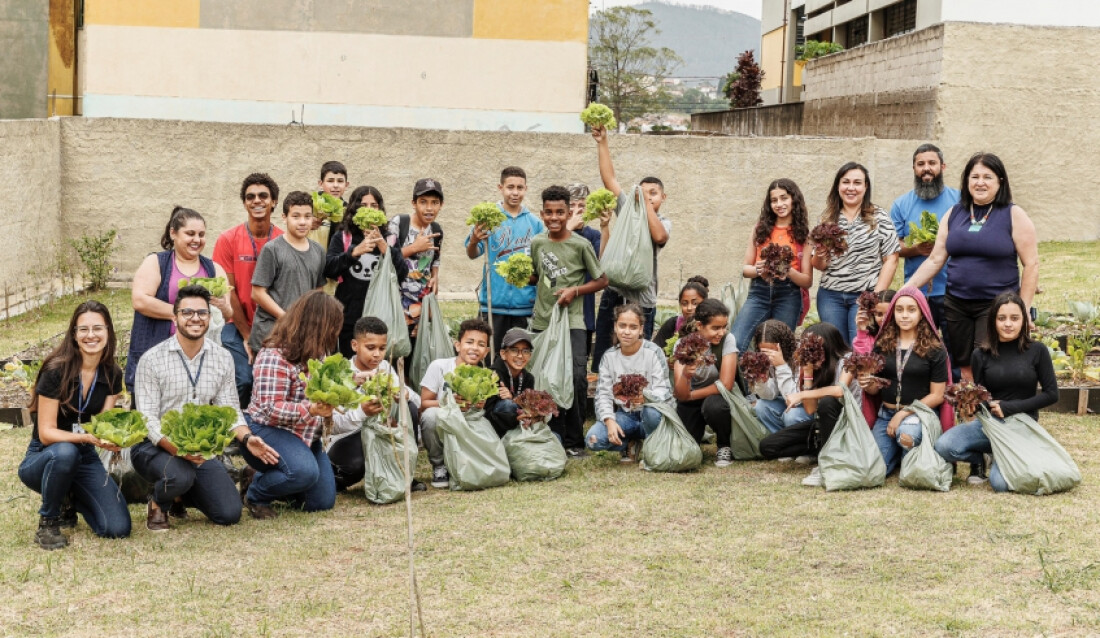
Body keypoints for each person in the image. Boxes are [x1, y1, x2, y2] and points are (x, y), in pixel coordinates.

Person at [132, 285, 278, 530]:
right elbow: (147, 419)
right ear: (174, 317)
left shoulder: (222, 357)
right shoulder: (152, 359)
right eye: (187, 312)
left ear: (210, 317)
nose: (195, 318)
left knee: (229, 513)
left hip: (197, 448)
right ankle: (159, 501)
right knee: (179, 475)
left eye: (202, 312)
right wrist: (178, 450)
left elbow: (230, 410)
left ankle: (180, 495)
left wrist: (247, 438)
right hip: (154, 446)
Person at [905, 152, 1040, 380]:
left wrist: (1024, 309)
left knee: (985, 362)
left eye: (987, 177)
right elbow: (935, 259)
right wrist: (906, 290)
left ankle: (989, 402)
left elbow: (1031, 264)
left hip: (995, 304)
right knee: (964, 366)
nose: (980, 182)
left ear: (1000, 181)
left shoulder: (1013, 214)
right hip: (956, 304)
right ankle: (968, 402)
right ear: (966, 181)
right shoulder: (954, 213)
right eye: (974, 177)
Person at [18, 301, 130, 549]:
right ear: (74, 334)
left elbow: (103, 424)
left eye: (98, 328)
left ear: (108, 332)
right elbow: (46, 433)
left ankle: (68, 495)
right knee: (65, 453)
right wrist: (87, 438)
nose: (91, 335)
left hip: (85, 457)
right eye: (83, 329)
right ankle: (48, 522)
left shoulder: (112, 373)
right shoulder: (55, 371)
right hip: (45, 456)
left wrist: (115, 440)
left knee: (117, 528)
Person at [935, 292, 1059, 489]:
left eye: (1014, 318)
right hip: (990, 424)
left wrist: (1009, 407)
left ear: (1024, 321)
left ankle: (1006, 454)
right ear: (993, 321)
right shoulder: (980, 354)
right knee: (944, 446)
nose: (1008, 324)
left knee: (999, 484)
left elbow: (1051, 394)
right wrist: (971, 406)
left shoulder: (1037, 351)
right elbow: (983, 395)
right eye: (1002, 318)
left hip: (1021, 425)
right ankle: (982, 457)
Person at [242, 291, 344, 518]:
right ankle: (255, 493)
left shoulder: (320, 354)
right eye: (333, 326)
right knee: (303, 472)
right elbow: (270, 408)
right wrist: (311, 409)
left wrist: (350, 385)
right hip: (267, 428)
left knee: (321, 502)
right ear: (317, 326)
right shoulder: (274, 355)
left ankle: (279, 478)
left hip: (305, 434)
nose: (336, 331)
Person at [529, 185, 610, 457]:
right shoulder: (537, 243)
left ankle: (574, 441)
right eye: (549, 212)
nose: (554, 217)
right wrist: (519, 275)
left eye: (560, 212)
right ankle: (552, 433)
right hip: (543, 320)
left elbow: (602, 280)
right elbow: (536, 275)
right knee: (545, 377)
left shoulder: (580, 244)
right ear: (542, 214)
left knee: (576, 377)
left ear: (568, 213)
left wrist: (575, 291)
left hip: (574, 321)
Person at [126, 207, 233, 396]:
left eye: (201, 234)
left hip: (199, 361)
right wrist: (184, 314)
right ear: (173, 233)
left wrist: (223, 307)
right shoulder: (156, 262)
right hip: (157, 355)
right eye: (190, 234)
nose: (197, 239)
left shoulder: (214, 269)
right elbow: (140, 300)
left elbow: (228, 313)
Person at [590, 124, 671, 370]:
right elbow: (610, 180)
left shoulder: (664, 221)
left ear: (663, 198)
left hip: (642, 298)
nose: (649, 197)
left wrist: (644, 202)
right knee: (605, 354)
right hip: (614, 292)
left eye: (654, 193)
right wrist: (603, 142)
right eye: (644, 193)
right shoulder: (627, 211)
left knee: (636, 358)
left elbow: (659, 236)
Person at [327, 316, 425, 492]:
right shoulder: (341, 373)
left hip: (381, 433)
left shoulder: (385, 366)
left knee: (408, 407)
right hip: (348, 439)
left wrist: (404, 394)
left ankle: (404, 474)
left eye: (382, 348)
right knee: (355, 464)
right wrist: (362, 412)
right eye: (370, 348)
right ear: (354, 345)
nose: (377, 354)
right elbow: (332, 426)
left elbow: (417, 402)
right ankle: (336, 479)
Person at [757, 322, 862, 486]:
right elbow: (810, 409)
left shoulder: (848, 360)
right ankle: (819, 449)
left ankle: (825, 464)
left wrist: (802, 394)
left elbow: (839, 390)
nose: (809, 352)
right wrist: (807, 373)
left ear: (828, 345)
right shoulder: (816, 368)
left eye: (813, 347)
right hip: (823, 426)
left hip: (848, 424)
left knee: (827, 402)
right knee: (768, 447)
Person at [860, 286, 949, 476]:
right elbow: (875, 391)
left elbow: (937, 395)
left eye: (911, 309)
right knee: (872, 471)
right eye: (899, 310)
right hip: (886, 414)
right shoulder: (882, 344)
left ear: (922, 313)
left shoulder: (935, 348)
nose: (905, 315)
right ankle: (899, 455)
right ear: (892, 313)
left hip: (918, 414)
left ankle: (910, 451)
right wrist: (868, 384)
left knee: (906, 438)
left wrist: (903, 414)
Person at [213, 173, 284, 408]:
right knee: (243, 380)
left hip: (275, 326)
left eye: (263, 196)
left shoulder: (284, 240)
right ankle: (234, 426)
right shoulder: (228, 239)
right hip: (237, 325)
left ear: (274, 201)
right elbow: (228, 291)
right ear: (244, 203)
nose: (257, 201)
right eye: (250, 197)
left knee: (271, 382)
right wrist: (247, 335)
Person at [812, 162, 900, 345]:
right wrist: (820, 253)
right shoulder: (827, 218)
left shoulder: (880, 217)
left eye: (857, 183)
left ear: (865, 186)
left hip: (863, 295)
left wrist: (874, 298)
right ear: (838, 186)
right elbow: (819, 265)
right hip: (830, 296)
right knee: (835, 349)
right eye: (846, 182)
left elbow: (891, 259)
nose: (851, 188)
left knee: (860, 346)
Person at [465, 167, 544, 353]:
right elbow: (472, 253)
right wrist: (474, 240)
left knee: (520, 356)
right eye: (510, 187)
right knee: (489, 356)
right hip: (492, 304)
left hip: (524, 306)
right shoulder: (489, 218)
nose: (515, 192)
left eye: (520, 188)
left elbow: (540, 264)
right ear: (500, 188)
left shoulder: (535, 224)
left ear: (526, 189)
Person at [325, 185, 408, 357]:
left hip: (380, 316)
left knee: (375, 363)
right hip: (348, 317)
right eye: (363, 205)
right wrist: (353, 252)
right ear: (354, 208)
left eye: (374, 205)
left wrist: (385, 249)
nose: (369, 209)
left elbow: (402, 273)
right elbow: (329, 269)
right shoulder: (343, 236)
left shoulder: (390, 238)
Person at [731, 179, 814, 350]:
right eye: (774, 200)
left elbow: (807, 281)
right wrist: (757, 269)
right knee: (735, 343)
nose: (779, 204)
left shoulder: (804, 234)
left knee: (779, 349)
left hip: (788, 295)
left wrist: (788, 270)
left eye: (784, 198)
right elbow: (745, 269)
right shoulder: (759, 229)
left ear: (794, 199)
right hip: (759, 292)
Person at [889, 144, 960, 340]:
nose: (926, 168)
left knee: (956, 349)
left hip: (954, 292)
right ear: (914, 168)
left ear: (943, 167)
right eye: (920, 164)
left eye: (932, 163)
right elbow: (892, 247)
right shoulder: (901, 205)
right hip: (917, 292)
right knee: (920, 348)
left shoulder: (960, 200)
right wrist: (916, 249)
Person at [586, 303, 671, 461]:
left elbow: (664, 391)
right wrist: (609, 420)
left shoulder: (653, 352)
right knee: (593, 440)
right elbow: (603, 395)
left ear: (641, 329)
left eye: (633, 327)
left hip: (652, 414)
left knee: (651, 413)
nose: (626, 331)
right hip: (626, 415)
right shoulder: (609, 357)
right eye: (622, 326)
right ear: (615, 326)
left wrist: (645, 397)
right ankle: (628, 443)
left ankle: (653, 448)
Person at [249, 191, 327, 353]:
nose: (302, 222)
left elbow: (318, 291)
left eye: (307, 216)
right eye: (296, 216)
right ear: (284, 218)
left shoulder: (318, 251)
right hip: (272, 336)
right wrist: (287, 318)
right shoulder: (272, 249)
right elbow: (257, 293)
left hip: (302, 337)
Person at [419, 318, 493, 488]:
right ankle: (439, 465)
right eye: (469, 342)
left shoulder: (486, 375)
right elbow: (424, 404)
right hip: (445, 424)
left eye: (481, 344)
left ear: (486, 352)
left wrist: (480, 406)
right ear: (458, 345)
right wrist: (449, 402)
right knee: (430, 416)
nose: (475, 348)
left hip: (469, 428)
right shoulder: (439, 366)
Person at [671, 299, 739, 467]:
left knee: (714, 407)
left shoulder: (727, 340)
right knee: (687, 449)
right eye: (715, 328)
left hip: (717, 396)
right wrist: (686, 375)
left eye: (724, 327)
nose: (721, 332)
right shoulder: (682, 344)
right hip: (689, 401)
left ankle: (724, 445)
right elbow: (680, 394)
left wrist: (691, 395)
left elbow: (726, 384)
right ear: (700, 325)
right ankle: (697, 439)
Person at [386, 178, 444, 346]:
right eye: (423, 202)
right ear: (414, 203)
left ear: (441, 205)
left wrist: (435, 277)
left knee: (416, 353)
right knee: (392, 351)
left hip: (420, 306)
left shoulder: (437, 230)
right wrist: (414, 248)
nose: (429, 208)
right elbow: (386, 257)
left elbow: (435, 260)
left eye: (435, 202)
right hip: (395, 303)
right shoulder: (399, 223)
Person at [566, 183, 604, 355]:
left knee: (579, 364)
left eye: (581, 205)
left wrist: (605, 226)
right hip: (558, 313)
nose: (577, 210)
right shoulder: (553, 234)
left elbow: (600, 263)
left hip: (584, 314)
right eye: (572, 205)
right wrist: (569, 228)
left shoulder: (593, 236)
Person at [747, 320, 798, 435]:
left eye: (773, 351)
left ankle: (797, 441)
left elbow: (794, 399)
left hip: (803, 406)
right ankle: (779, 438)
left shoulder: (798, 357)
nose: (769, 355)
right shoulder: (768, 360)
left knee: (791, 415)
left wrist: (781, 366)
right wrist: (762, 381)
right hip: (785, 402)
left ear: (783, 345)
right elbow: (770, 396)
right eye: (764, 351)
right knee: (761, 406)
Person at [483, 328, 537, 437]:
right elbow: (486, 413)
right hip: (494, 428)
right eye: (514, 350)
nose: (520, 356)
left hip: (520, 425)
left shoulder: (529, 378)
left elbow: (528, 407)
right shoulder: (492, 375)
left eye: (525, 351)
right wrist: (516, 416)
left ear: (530, 356)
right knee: (508, 405)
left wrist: (514, 398)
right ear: (503, 354)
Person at [311, 160, 349, 294]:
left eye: (340, 181)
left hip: (336, 278)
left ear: (346, 185)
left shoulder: (349, 212)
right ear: (320, 183)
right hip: (311, 272)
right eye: (330, 181)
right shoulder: (309, 207)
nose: (335, 186)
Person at [652, 277, 709, 351]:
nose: (689, 308)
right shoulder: (672, 324)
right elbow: (654, 350)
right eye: (684, 304)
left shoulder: (712, 327)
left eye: (695, 303)